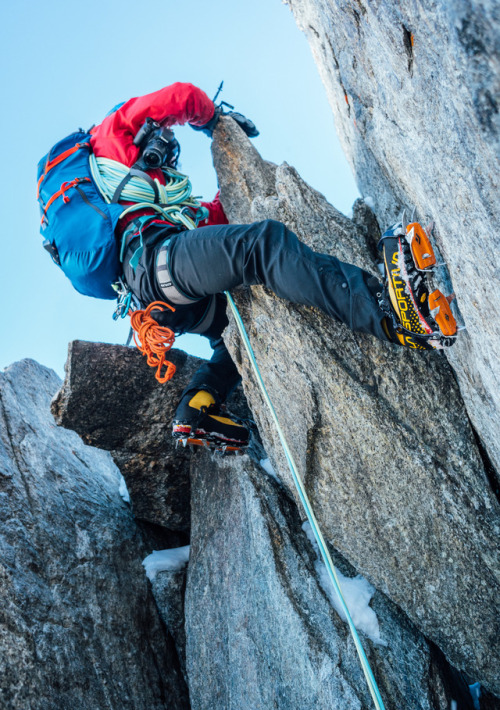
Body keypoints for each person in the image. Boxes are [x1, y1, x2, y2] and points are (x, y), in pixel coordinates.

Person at [46, 82, 454, 452]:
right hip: (159, 261)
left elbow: (215, 229)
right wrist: (216, 121)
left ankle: (198, 407)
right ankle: (389, 312)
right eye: (167, 143)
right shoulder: (110, 134)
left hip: (160, 298)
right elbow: (183, 97)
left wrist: (236, 178)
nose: (169, 151)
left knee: (234, 335)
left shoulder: (148, 205)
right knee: (263, 245)